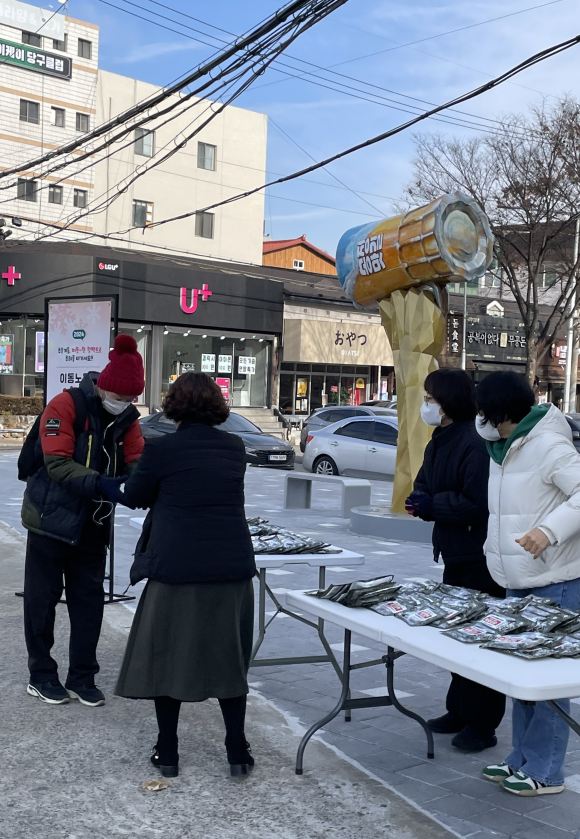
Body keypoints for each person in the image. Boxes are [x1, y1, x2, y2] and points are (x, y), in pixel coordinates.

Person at [113, 372, 256, 778]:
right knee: (229, 660)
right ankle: (236, 749)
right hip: (230, 568)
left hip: (176, 569)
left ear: (174, 405)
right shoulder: (235, 446)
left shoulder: (162, 449)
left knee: (166, 657)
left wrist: (104, 484)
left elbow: (137, 497)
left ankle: (169, 751)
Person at [20, 334, 145, 707]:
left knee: (88, 602)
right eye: (118, 397)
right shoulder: (64, 405)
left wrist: (145, 488)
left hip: (93, 524)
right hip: (50, 520)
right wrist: (104, 484)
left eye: (129, 399)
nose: (122, 404)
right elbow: (56, 462)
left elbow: (139, 462)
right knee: (41, 602)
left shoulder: (127, 420)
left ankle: (83, 677)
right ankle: (41, 675)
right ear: (104, 386)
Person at [476, 371, 580, 796]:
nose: (478, 416)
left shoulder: (549, 445)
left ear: (499, 411)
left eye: (483, 408)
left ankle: (546, 771)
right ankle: (521, 758)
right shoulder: (502, 446)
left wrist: (549, 531)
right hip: (516, 578)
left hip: (552, 579)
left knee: (548, 679)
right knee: (521, 675)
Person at [405, 368, 505, 752]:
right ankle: (459, 710)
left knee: (481, 641)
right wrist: (421, 502)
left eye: (430, 397)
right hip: (452, 552)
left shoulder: (474, 442)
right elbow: (425, 483)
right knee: (456, 637)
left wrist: (436, 504)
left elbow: (477, 504)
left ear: (447, 402)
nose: (426, 404)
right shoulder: (438, 440)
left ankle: (483, 724)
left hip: (479, 556)